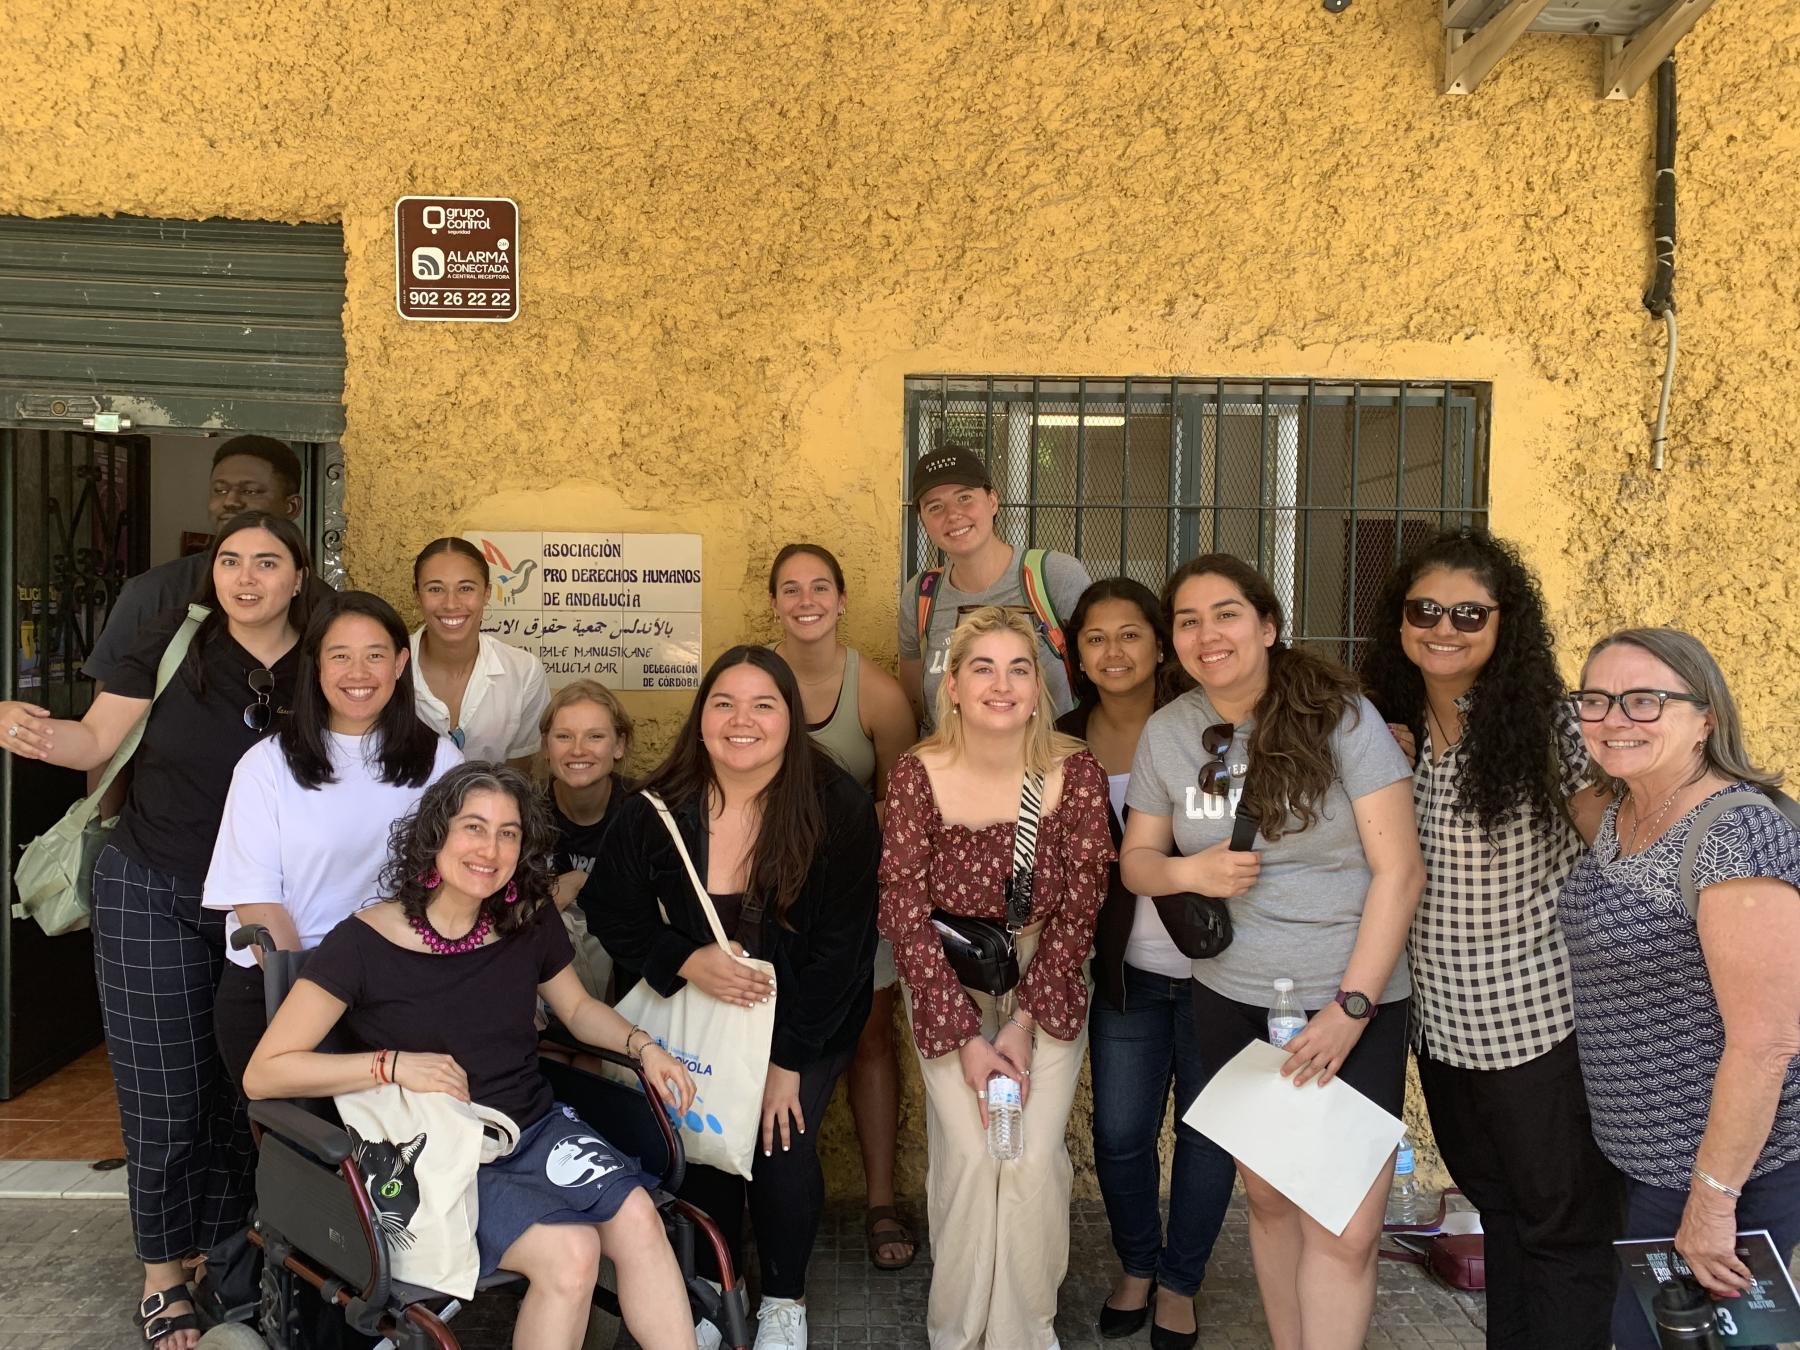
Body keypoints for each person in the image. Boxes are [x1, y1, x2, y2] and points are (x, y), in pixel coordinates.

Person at [243, 763, 699, 1350]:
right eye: (474, 828)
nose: (490, 848)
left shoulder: (526, 921)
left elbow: (579, 1010)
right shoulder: (361, 943)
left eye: (508, 833)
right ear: (435, 835)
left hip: (532, 1130)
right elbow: (266, 1071)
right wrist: (391, 1064)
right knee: (574, 1251)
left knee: (639, 1216)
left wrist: (646, 1048)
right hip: (435, 1154)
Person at [0, 510, 312, 1350]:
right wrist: (35, 734)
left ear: (298, 577)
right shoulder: (173, 639)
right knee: (162, 1100)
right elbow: (95, 740)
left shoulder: (324, 661)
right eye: (231, 562)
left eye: (267, 563)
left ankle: (223, 1247)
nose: (247, 578)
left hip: (262, 907)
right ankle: (161, 1272)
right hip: (152, 887)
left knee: (235, 1091)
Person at [1119, 554, 1423, 1350]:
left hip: (1349, 1004)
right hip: (1232, 999)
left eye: (1225, 614)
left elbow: (1400, 871)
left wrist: (1351, 1008)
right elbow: (1138, 862)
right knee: (1273, 1204)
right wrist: (1194, 871)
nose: (1206, 634)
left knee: (1346, 1229)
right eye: (1187, 621)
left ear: (1267, 625)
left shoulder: (1343, 719)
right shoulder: (1170, 730)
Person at [1360, 529, 1620, 1350]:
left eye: (1470, 614)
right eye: (1425, 610)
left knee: (1562, 1232)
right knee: (1499, 1219)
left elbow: (1616, 854)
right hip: (1442, 1032)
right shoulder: (1386, 734)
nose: (1445, 628)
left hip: (1539, 1025)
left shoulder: (1552, 730)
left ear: (1506, 624)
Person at [591, 646, 880, 1350]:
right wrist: (686, 959)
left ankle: (784, 1297)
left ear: (791, 717)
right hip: (698, 1014)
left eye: (763, 704)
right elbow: (611, 910)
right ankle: (719, 1290)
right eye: (724, 703)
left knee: (779, 1143)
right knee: (705, 1140)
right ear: (702, 717)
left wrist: (787, 1063)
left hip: (804, 1018)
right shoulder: (659, 808)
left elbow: (841, 952)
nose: (741, 720)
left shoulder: (835, 807)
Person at [1557, 629, 1800, 1350]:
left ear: (1706, 718)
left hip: (1728, 1177)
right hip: (1650, 1165)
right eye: (1596, 700)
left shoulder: (1736, 837)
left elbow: (1767, 1044)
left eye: (1646, 701)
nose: (1614, 718)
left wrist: (1713, 1203)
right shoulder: (1625, 808)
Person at [878, 605, 1114, 1350]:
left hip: (1046, 978)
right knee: (976, 1157)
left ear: (1041, 690)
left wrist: (1020, 1024)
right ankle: (957, 1330)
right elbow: (904, 909)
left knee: (1032, 1158)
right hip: (947, 980)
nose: (1002, 684)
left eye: (1020, 669)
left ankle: (1023, 1330)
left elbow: (1083, 905)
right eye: (983, 667)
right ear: (952, 686)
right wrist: (966, 1038)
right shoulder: (918, 773)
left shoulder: (1073, 773)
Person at [1054, 578, 1232, 1349]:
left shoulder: (1210, 729)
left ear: (1161, 645)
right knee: (1121, 1133)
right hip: (1123, 978)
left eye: (1131, 633)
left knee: (1207, 1134)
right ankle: (1135, 1265)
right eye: (1096, 637)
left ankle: (1180, 1282)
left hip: (1222, 976)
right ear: (1077, 654)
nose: (1114, 650)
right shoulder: (1059, 738)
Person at [205, 590, 462, 1086]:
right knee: (305, 1158)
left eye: (375, 655)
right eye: (340, 656)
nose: (358, 673)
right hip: (281, 987)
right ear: (317, 666)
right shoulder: (267, 766)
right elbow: (258, 904)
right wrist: (316, 1005)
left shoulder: (440, 762)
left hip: (401, 991)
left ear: (400, 662)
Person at [767, 542, 918, 1270]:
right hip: (767, 902)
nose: (806, 600)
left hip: (858, 899)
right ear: (774, 603)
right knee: (763, 1043)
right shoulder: (748, 679)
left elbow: (904, 809)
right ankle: (752, 1193)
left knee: (869, 1038)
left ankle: (881, 1200)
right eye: (791, 589)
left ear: (842, 598)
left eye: (820, 586)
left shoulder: (878, 695)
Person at [83, 436, 334, 690]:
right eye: (220, 490)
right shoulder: (154, 591)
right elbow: (108, 701)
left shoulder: (324, 604)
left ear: (291, 506)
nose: (231, 501)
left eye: (250, 491)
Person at [897, 443, 1090, 729]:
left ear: (992, 501)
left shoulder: (1054, 576)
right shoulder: (921, 595)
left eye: (964, 497)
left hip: (1045, 764)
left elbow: (1098, 678)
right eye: (934, 507)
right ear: (923, 521)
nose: (952, 514)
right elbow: (914, 706)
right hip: (953, 768)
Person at [409, 536, 550, 768]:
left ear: (486, 593)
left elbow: (518, 775)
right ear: (417, 595)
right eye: (435, 589)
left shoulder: (524, 672)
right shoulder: (389, 666)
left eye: (466, 588)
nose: (451, 604)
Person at [536, 678, 635, 999]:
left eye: (595, 736)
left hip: (626, 979)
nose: (578, 750)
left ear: (618, 745)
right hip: (544, 980)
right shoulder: (525, 813)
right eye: (564, 736)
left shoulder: (644, 812)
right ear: (546, 746)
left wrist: (581, 881)